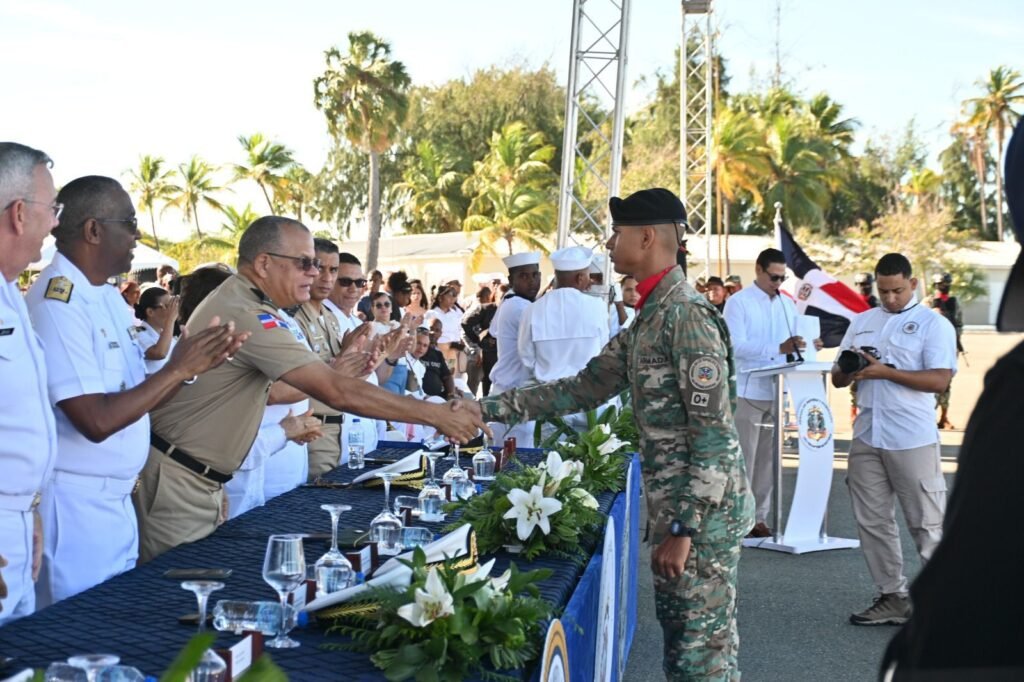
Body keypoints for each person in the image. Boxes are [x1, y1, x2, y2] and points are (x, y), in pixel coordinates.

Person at [475, 187, 753, 680]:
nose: (608, 243)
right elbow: (587, 385)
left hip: (701, 518)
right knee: (687, 647)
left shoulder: (685, 315)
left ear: (647, 237)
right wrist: (486, 408)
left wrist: (684, 529)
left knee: (699, 657)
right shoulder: (653, 314)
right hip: (680, 510)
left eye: (617, 233)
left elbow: (714, 435)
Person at [137, 216, 485, 561]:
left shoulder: (254, 305)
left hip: (199, 476)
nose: (316, 274)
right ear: (263, 263)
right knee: (171, 602)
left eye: (318, 265)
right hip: (179, 478)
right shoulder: (247, 311)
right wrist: (435, 415)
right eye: (305, 263)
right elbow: (335, 390)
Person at [26, 175, 245, 604]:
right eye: (128, 222)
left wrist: (192, 366)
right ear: (93, 230)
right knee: (77, 647)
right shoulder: (57, 303)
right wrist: (178, 368)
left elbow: (136, 399)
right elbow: (95, 420)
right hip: (76, 510)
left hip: (120, 501)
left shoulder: (105, 299)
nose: (137, 234)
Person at [881, 115, 1024, 678]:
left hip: (914, 432)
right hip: (880, 433)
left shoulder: (1016, 389)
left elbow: (971, 603)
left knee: (927, 526)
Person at [830, 252, 956, 626]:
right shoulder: (863, 321)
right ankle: (893, 597)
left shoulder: (933, 325)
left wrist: (887, 372)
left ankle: (947, 604)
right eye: (883, 291)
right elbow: (837, 376)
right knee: (872, 520)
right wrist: (851, 370)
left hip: (911, 435)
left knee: (926, 523)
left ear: (913, 284)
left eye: (897, 290)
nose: (890, 298)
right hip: (868, 433)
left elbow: (939, 380)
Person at [723, 248, 822, 538]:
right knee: (743, 459)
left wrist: (807, 344)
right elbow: (733, 346)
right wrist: (777, 349)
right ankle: (736, 517)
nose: (778, 283)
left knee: (767, 462)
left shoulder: (786, 304)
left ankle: (759, 517)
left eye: (782, 278)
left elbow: (790, 344)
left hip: (776, 391)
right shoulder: (738, 303)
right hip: (746, 390)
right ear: (758, 270)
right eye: (773, 276)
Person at [0, 142, 59, 624]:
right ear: (19, 213)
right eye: (51, 208)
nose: (55, 221)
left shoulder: (10, 292)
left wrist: (30, 507)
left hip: (18, 524)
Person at [518, 245, 612, 436]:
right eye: (587, 276)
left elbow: (526, 356)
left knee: (552, 463)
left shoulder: (533, 309)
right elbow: (605, 351)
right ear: (579, 278)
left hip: (551, 401)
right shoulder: (597, 306)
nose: (589, 281)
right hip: (590, 400)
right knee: (593, 462)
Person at [486, 251, 542, 446]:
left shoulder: (510, 301)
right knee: (515, 467)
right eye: (524, 276)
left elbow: (493, 332)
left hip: (508, 392)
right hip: (514, 395)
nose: (532, 281)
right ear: (512, 280)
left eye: (535, 275)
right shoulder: (520, 307)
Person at [929, 272, 962, 430]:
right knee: (932, 381)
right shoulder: (927, 302)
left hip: (950, 348)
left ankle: (944, 417)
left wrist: (956, 340)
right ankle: (930, 415)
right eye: (941, 284)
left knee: (947, 382)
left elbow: (959, 323)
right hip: (932, 348)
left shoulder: (954, 302)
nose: (944, 287)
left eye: (946, 284)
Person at [133, 286, 179, 374]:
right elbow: (159, 353)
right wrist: (171, 319)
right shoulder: (138, 333)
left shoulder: (167, 335)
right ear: (150, 312)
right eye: (168, 306)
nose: (172, 310)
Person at [461, 286, 495, 396]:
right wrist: (477, 347)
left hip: (484, 353)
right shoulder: (478, 309)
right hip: (476, 354)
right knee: (473, 385)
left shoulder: (490, 310)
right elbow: (465, 328)